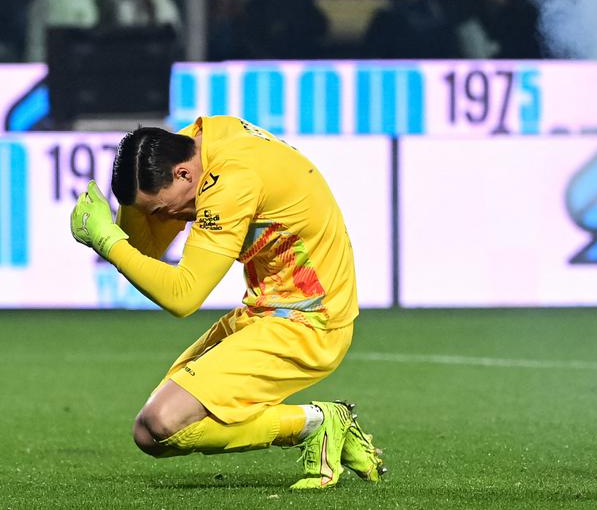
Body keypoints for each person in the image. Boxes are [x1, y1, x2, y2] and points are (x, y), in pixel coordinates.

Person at [67, 117, 387, 489]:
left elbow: (182, 296)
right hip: (266, 312)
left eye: (163, 210)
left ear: (184, 174)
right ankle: (321, 422)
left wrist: (107, 242)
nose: (170, 219)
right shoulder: (194, 145)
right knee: (151, 431)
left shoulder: (232, 181)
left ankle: (318, 422)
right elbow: (146, 251)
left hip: (311, 323)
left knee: (164, 422)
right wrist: (131, 207)